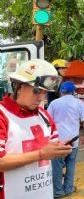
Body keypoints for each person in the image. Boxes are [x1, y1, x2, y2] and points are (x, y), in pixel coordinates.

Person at [0, 59, 72, 198]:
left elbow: (51, 147)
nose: (41, 97)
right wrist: (40, 154)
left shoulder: (44, 115)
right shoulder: (2, 115)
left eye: (45, 92)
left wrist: (60, 149)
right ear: (19, 87)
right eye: (37, 90)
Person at [47, 81, 84, 198]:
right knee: (71, 165)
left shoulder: (54, 103)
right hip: (73, 141)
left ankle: (57, 192)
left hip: (57, 141)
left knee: (57, 167)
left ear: (61, 91)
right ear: (73, 91)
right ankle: (68, 189)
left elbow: (47, 122)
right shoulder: (79, 103)